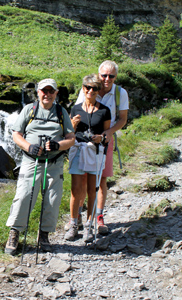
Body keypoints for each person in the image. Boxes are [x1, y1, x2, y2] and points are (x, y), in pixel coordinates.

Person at [5, 78, 75, 255]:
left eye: (51, 91)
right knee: (23, 196)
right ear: (38, 92)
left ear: (56, 94)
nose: (48, 94)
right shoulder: (29, 110)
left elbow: (71, 138)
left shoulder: (61, 112)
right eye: (44, 91)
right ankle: (14, 233)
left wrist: (59, 145)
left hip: (54, 163)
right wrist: (29, 146)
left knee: (52, 199)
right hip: (31, 161)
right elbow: (16, 134)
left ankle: (44, 235)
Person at [65, 60, 129, 235]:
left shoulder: (120, 93)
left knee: (100, 180)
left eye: (111, 76)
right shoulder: (88, 87)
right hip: (82, 144)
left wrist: (108, 133)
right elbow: (77, 113)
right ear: (98, 75)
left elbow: (123, 118)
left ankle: (98, 218)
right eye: (104, 75)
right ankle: (77, 217)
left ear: (115, 77)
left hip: (104, 141)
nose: (107, 79)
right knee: (81, 180)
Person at [64, 74, 111, 242]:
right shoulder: (76, 108)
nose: (90, 91)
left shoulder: (105, 111)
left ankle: (90, 225)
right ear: (82, 89)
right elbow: (69, 132)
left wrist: (102, 139)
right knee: (75, 190)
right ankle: (73, 224)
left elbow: (107, 135)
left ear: (98, 91)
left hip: (95, 152)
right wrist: (73, 124)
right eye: (87, 87)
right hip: (78, 150)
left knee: (93, 190)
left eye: (95, 88)